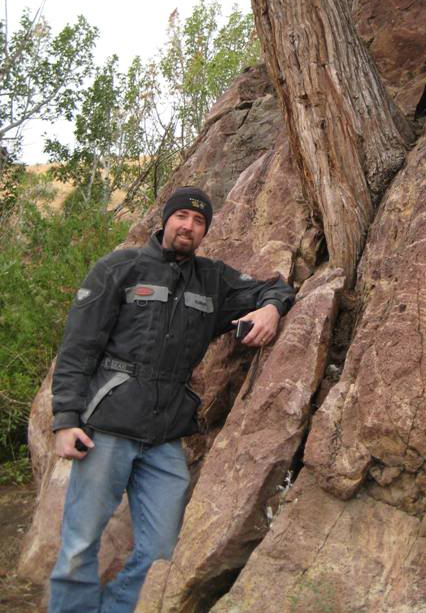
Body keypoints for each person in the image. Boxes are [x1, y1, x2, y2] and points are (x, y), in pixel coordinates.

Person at [48, 186, 295, 613]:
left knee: (162, 549)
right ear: (166, 220)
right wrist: (66, 418)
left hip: (165, 436)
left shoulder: (213, 279)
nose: (189, 226)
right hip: (106, 427)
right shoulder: (120, 267)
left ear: (204, 232)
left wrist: (271, 308)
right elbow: (78, 347)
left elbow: (271, 289)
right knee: (79, 545)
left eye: (199, 221)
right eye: (182, 216)